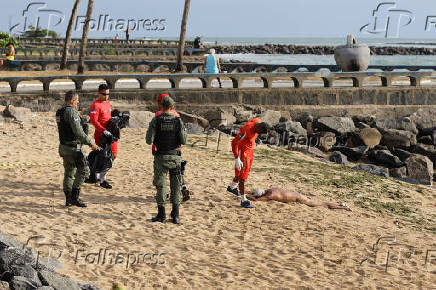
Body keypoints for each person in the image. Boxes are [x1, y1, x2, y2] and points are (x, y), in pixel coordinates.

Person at [146, 96, 187, 224]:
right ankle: (175, 215)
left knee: (161, 185)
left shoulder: (156, 120)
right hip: (175, 157)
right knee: (176, 186)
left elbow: (148, 140)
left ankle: (161, 214)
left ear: (161, 106)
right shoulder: (178, 121)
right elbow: (184, 140)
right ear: (172, 107)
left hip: (161, 158)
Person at [56, 91, 100, 207]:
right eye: (77, 101)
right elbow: (79, 133)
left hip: (63, 147)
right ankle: (74, 197)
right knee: (85, 171)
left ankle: (68, 199)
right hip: (73, 148)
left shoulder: (59, 112)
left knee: (69, 172)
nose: (78, 103)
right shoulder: (71, 112)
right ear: (72, 100)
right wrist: (92, 144)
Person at [153, 93, 190, 202]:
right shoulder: (177, 115)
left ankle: (164, 194)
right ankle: (183, 187)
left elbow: (157, 133)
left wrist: (154, 147)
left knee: (162, 173)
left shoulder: (159, 114)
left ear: (160, 103)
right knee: (177, 171)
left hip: (162, 148)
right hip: (176, 148)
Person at [227, 118, 270, 208]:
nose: (259, 135)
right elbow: (234, 142)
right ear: (258, 128)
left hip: (250, 152)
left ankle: (232, 188)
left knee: (240, 174)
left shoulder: (257, 121)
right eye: (260, 133)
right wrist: (237, 158)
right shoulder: (247, 130)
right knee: (242, 178)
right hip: (243, 154)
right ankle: (244, 201)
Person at [89, 84, 117, 189]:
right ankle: (101, 179)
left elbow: (109, 117)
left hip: (111, 134)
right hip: (101, 136)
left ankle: (99, 175)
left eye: (108, 94)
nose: (106, 96)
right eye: (104, 94)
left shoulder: (108, 104)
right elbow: (94, 121)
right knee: (103, 157)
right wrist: (103, 130)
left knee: (113, 155)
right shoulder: (95, 105)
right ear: (98, 93)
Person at [248, 188, 352, 211]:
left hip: (299, 199)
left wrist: (247, 197)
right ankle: (340, 205)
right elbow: (256, 193)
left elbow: (257, 200)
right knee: (321, 202)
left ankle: (342, 207)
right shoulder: (270, 190)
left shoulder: (269, 196)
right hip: (298, 195)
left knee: (323, 204)